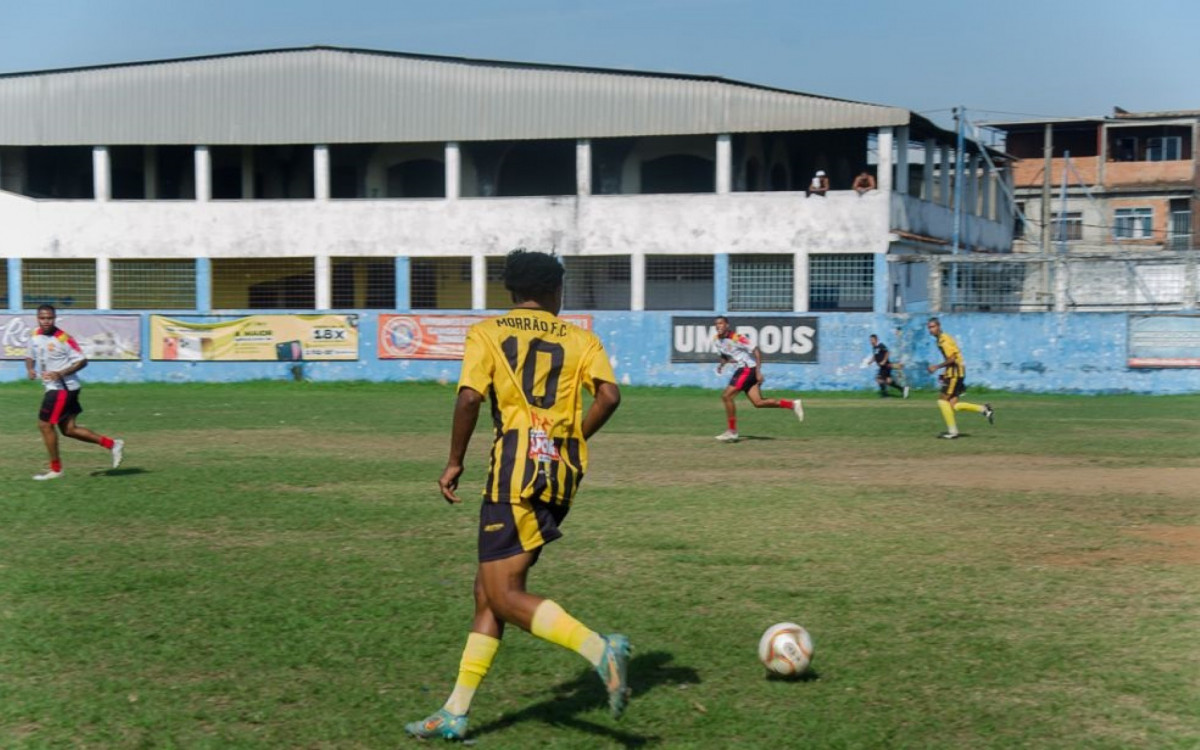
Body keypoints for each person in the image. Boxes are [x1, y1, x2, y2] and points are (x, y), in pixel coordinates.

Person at [407, 249, 628, 741]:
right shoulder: (581, 338)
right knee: (487, 591)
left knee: (503, 594)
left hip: (512, 471)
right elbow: (609, 396)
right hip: (562, 472)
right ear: (555, 291)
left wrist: (455, 460)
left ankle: (598, 650)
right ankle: (455, 711)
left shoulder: (488, 332)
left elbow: (469, 397)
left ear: (511, 291)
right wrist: (572, 438)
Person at [24, 305, 124, 480]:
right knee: (69, 429)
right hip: (58, 388)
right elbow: (29, 355)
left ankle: (56, 469)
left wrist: (60, 373)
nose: (46, 321)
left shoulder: (63, 339)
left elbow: (82, 361)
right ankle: (113, 444)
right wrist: (30, 369)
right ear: (37, 318)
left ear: (55, 318)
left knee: (45, 425)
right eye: (42, 318)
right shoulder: (34, 335)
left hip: (62, 388)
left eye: (49, 318)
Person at [713, 316, 804, 442]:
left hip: (747, 369)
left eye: (721, 323)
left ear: (727, 325)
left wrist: (758, 372)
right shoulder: (717, 340)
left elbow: (756, 350)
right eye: (716, 324)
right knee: (758, 403)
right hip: (744, 370)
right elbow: (724, 355)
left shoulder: (737, 337)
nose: (718, 326)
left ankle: (732, 432)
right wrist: (722, 364)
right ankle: (792, 404)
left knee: (726, 397)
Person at [925, 317, 993, 439]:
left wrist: (936, 367)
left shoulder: (944, 340)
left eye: (933, 327)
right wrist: (945, 373)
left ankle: (953, 432)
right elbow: (953, 358)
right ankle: (984, 409)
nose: (931, 330)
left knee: (942, 401)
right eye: (929, 327)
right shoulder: (941, 339)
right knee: (953, 406)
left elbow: (952, 359)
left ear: (939, 326)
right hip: (956, 372)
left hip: (955, 374)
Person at [869, 334, 908, 398]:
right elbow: (875, 356)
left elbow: (887, 352)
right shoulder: (874, 348)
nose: (871, 341)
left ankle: (885, 395)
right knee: (888, 381)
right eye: (870, 340)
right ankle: (903, 389)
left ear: (876, 340)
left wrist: (884, 361)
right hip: (883, 367)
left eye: (872, 340)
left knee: (879, 379)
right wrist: (871, 361)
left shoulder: (881, 345)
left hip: (885, 366)